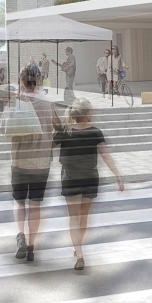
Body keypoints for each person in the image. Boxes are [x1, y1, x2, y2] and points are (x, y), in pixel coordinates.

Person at [57, 97, 126, 272]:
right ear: (88, 114)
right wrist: (117, 175)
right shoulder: (96, 132)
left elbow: (46, 146)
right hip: (89, 178)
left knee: (73, 218)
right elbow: (106, 156)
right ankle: (78, 247)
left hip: (70, 178)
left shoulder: (65, 132)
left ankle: (79, 252)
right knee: (83, 217)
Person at [5, 70, 54, 263]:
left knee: (19, 202)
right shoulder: (47, 104)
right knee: (35, 205)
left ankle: (20, 235)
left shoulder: (14, 103)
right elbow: (57, 127)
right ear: (38, 81)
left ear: (21, 82)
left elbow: (5, 129)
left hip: (18, 161)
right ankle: (32, 246)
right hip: (41, 163)